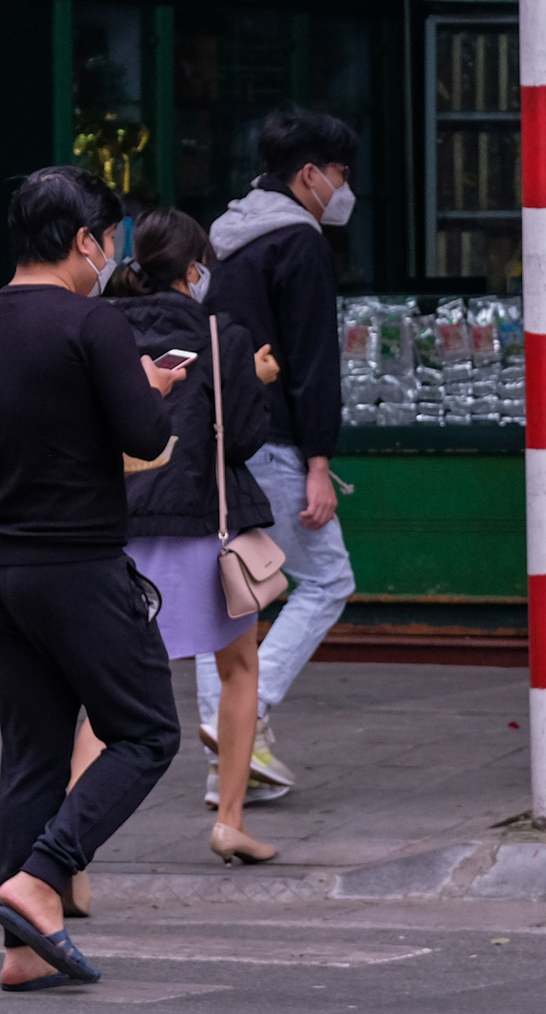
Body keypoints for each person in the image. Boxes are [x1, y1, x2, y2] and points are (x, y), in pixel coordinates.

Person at [0, 166, 187, 993]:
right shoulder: (93, 324)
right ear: (84, 238)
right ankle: (42, 877)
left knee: (33, 753)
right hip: (76, 564)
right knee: (147, 730)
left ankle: (18, 950)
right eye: (108, 240)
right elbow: (147, 439)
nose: (111, 255)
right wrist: (149, 386)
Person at [199, 108, 360, 802]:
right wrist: (319, 460)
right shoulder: (299, 244)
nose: (344, 188)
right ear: (308, 175)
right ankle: (242, 716)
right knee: (327, 580)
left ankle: (227, 756)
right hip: (272, 442)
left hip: (214, 438)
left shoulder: (226, 238)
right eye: (340, 174)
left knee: (226, 598)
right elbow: (313, 360)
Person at [109, 209, 279, 864]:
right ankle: (230, 819)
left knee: (109, 683)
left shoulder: (105, 330)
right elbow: (241, 437)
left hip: (121, 522)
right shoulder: (221, 334)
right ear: (192, 270)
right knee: (238, 669)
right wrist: (257, 384)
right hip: (206, 523)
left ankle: (69, 850)